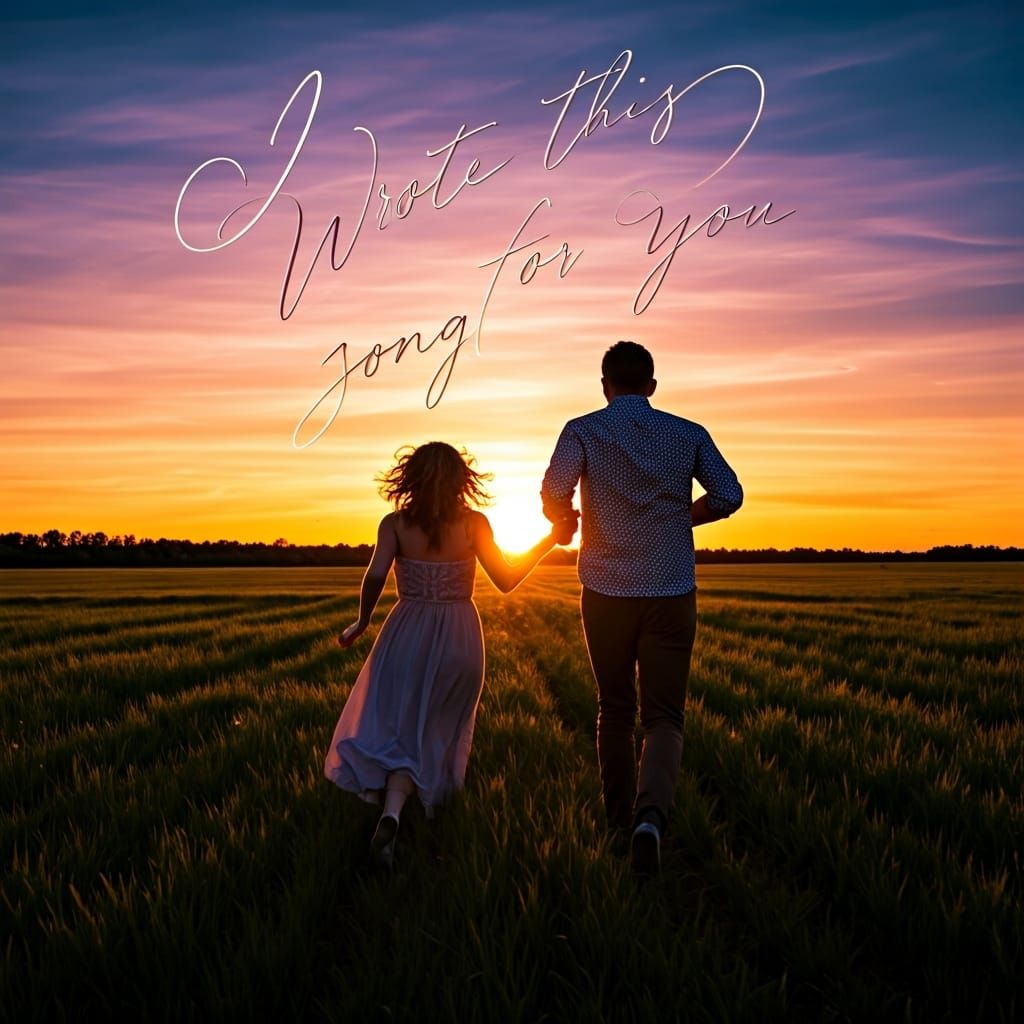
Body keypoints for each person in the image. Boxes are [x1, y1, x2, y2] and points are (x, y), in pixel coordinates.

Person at [540, 341, 743, 876]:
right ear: (652, 386)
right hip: (672, 587)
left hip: (605, 589)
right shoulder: (688, 433)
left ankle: (615, 818)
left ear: (604, 384)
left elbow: (553, 490)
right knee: (664, 717)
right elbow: (729, 494)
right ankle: (650, 820)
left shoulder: (582, 429)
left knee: (614, 707)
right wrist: (683, 519)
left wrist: (565, 520)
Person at [324, 441, 577, 867]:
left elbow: (375, 575)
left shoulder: (394, 524)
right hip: (460, 635)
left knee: (401, 730)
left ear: (411, 478)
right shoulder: (475, 524)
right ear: (463, 480)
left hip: (405, 633)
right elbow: (507, 580)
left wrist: (362, 622)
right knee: (435, 731)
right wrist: (551, 540)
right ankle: (402, 814)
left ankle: (393, 812)